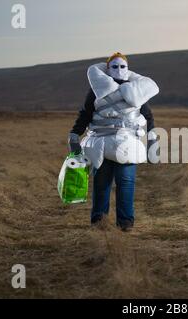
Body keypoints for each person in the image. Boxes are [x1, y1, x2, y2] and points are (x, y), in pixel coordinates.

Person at [68, 52, 159, 232]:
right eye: (114, 66)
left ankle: (125, 224)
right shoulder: (95, 91)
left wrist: (152, 140)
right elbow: (85, 114)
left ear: (128, 69)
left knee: (125, 183)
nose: (118, 70)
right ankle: (99, 223)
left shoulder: (137, 90)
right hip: (101, 143)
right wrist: (75, 133)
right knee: (102, 184)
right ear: (107, 69)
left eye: (122, 66)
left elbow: (148, 116)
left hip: (127, 144)